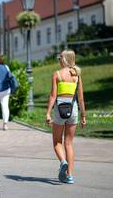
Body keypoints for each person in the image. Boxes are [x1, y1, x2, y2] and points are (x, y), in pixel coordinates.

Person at [46, 50, 86, 184]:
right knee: (68, 143)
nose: (58, 60)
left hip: (59, 111)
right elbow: (80, 99)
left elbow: (53, 96)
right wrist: (83, 116)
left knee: (57, 142)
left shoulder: (57, 74)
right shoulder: (77, 75)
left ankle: (63, 161)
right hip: (73, 110)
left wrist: (48, 113)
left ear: (63, 60)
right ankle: (70, 176)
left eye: (59, 58)